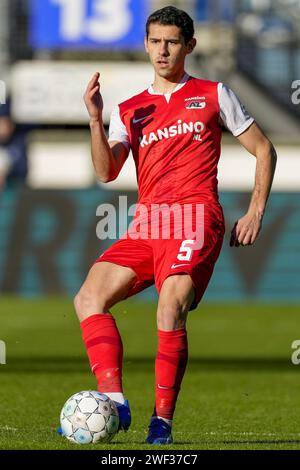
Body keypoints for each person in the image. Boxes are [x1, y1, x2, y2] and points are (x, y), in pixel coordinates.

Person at [77, 6, 277, 444]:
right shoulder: (130, 109)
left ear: (189, 46)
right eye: (155, 41)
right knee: (88, 297)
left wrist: (256, 211)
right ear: (146, 44)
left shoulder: (213, 93)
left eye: (171, 42)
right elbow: (106, 171)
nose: (162, 50)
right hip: (149, 223)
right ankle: (115, 401)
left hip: (197, 216)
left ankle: (161, 423)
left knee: (170, 306)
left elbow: (264, 150)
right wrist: (94, 119)